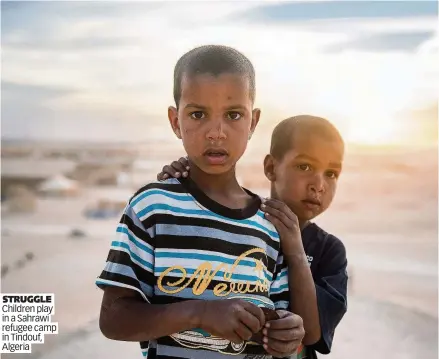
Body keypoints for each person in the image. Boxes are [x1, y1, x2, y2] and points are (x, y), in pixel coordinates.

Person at [96, 45, 305, 359]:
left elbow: (280, 320)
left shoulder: (269, 224)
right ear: (175, 121)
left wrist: (287, 332)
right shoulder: (152, 208)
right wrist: (200, 313)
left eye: (234, 115)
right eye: (198, 114)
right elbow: (113, 319)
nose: (216, 133)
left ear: (253, 122)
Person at [157, 115, 349, 358]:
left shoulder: (329, 251)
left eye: (331, 173)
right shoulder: (240, 224)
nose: (318, 185)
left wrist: (296, 252)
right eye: (305, 167)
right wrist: (184, 184)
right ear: (271, 168)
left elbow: (311, 334)